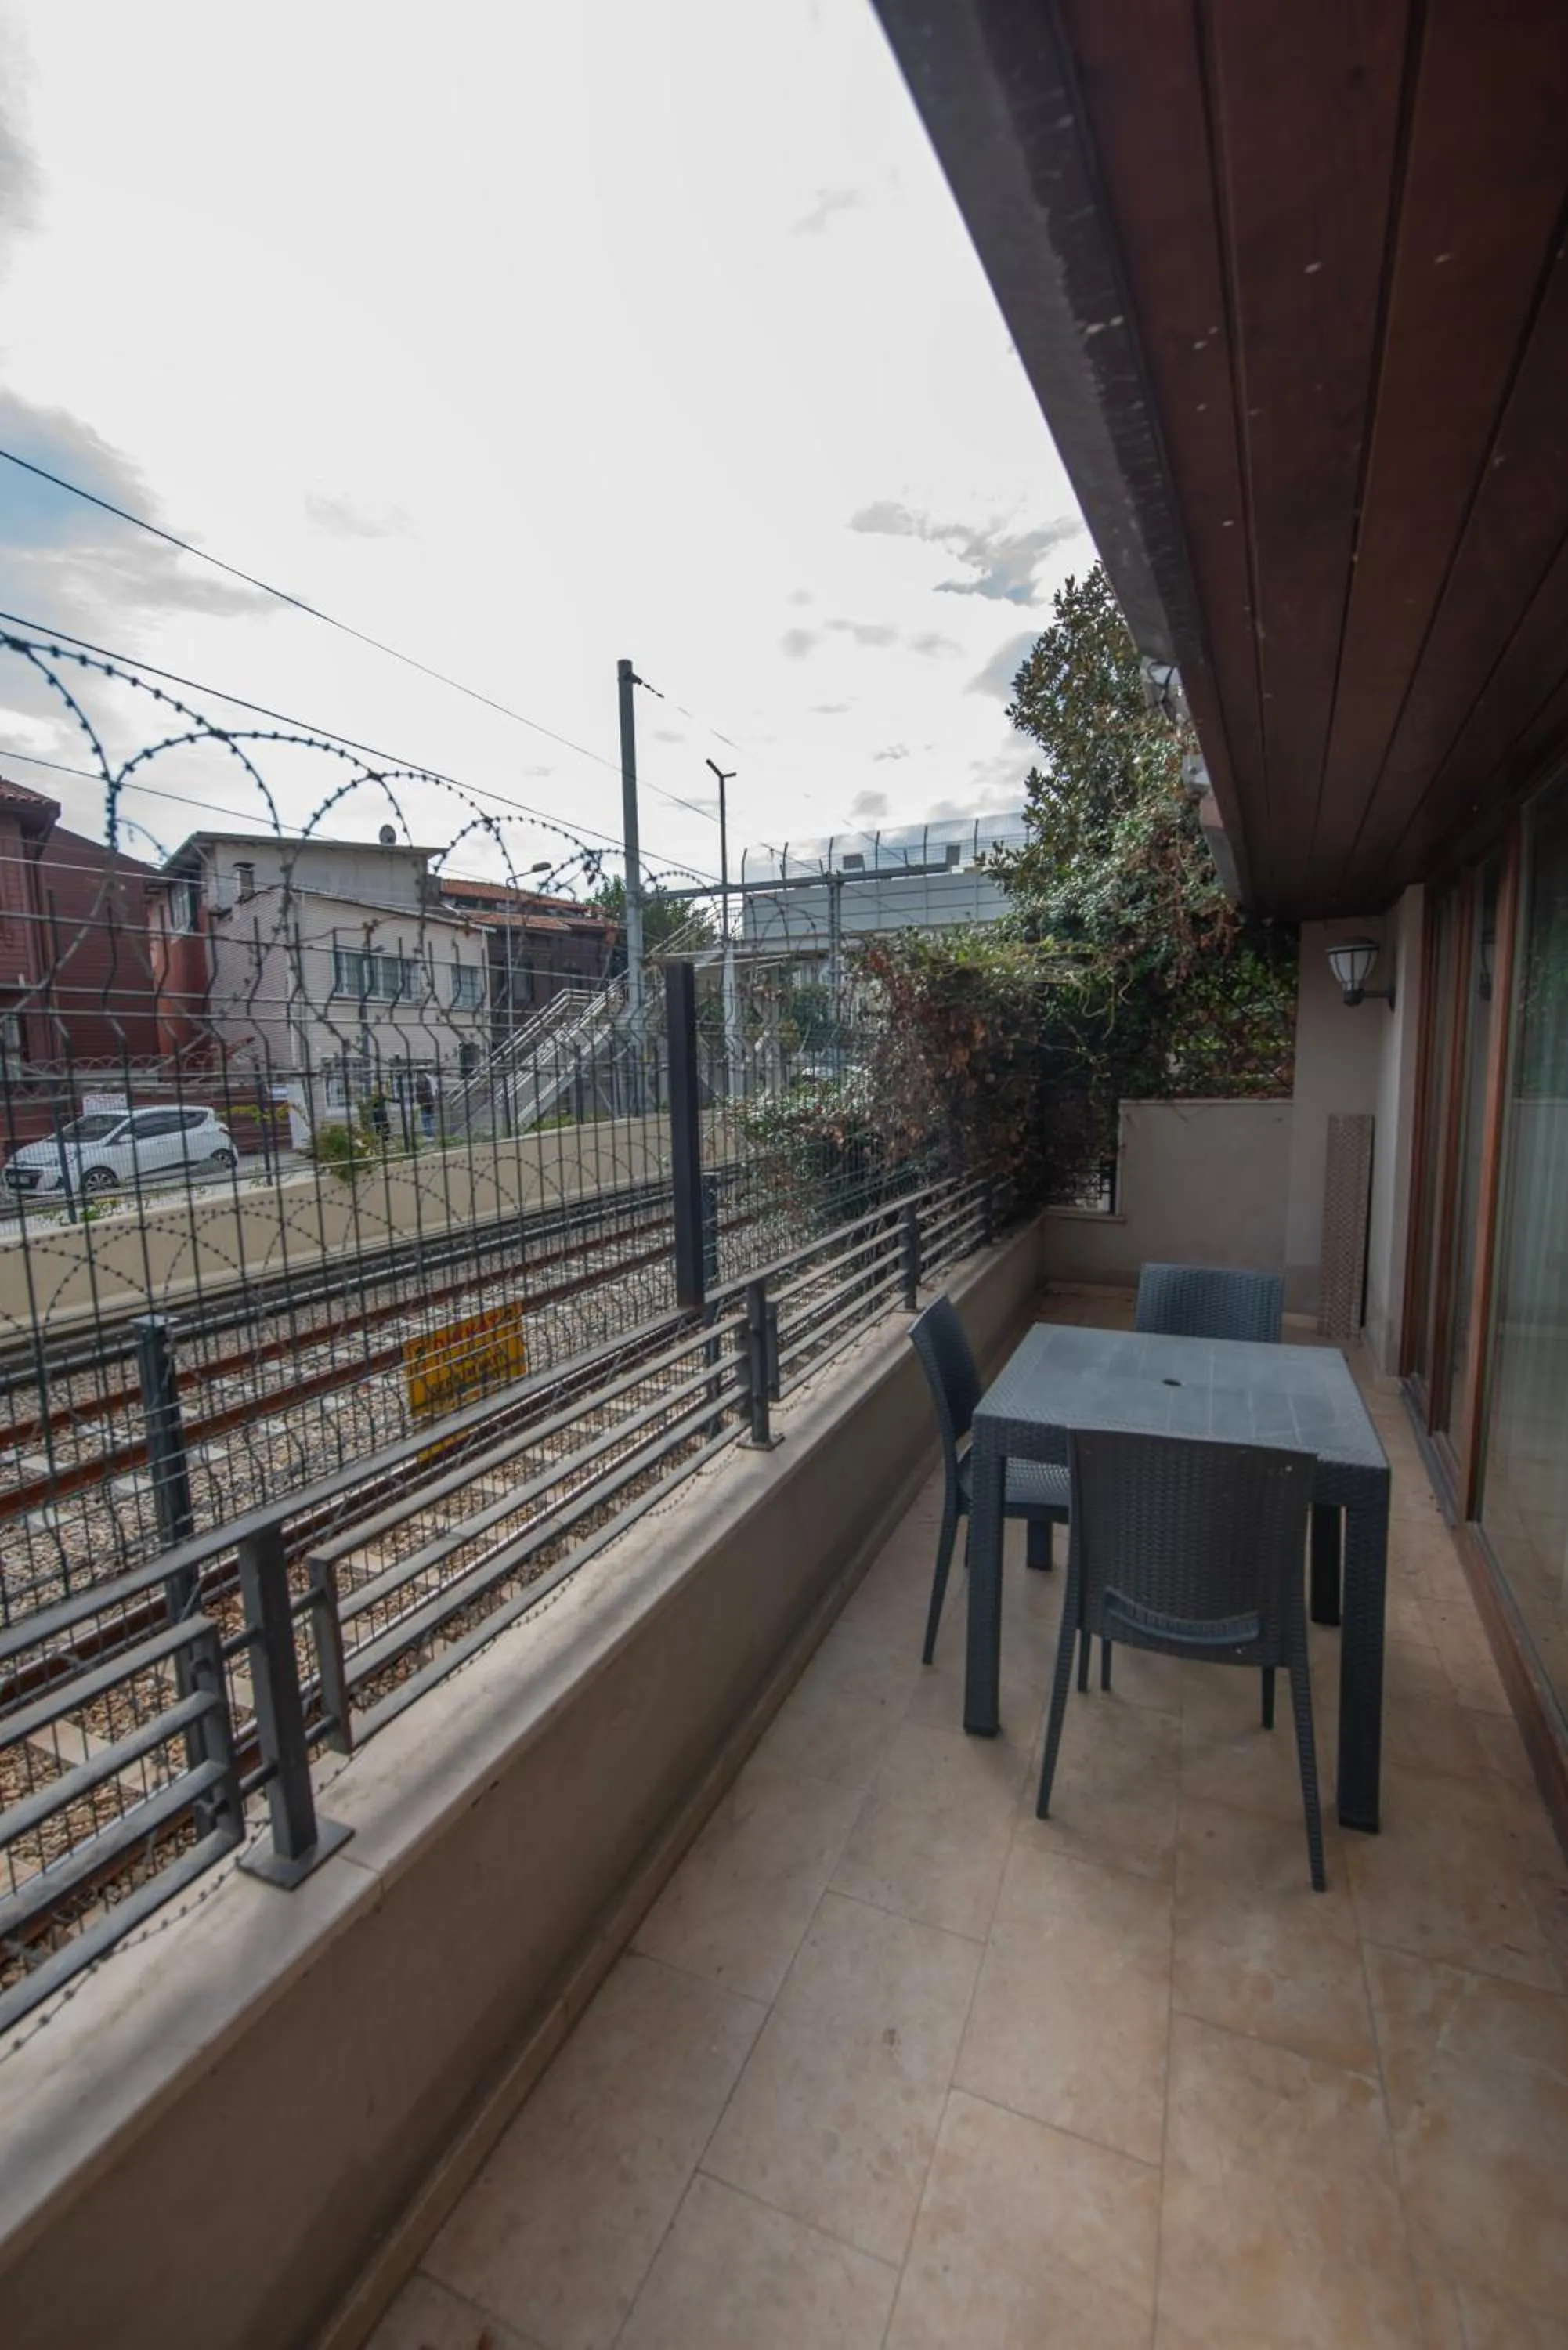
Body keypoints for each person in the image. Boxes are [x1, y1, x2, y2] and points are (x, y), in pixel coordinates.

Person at [416, 1069, 437, 1140]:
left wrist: (423, 1102)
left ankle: (429, 1135)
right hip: (428, 1102)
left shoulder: (424, 1081)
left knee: (426, 1119)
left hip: (426, 1103)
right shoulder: (428, 1080)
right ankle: (430, 1135)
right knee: (428, 1119)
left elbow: (426, 1093)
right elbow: (434, 1091)